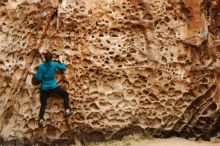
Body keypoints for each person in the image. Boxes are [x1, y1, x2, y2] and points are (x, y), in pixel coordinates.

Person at [32, 51, 74, 127]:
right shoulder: (54, 64)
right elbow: (63, 67)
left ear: (44, 58)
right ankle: (67, 110)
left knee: (43, 104)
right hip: (53, 86)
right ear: (51, 58)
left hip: (44, 88)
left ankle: (41, 119)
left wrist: (34, 74)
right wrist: (61, 61)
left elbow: (39, 77)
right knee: (65, 95)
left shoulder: (41, 66)